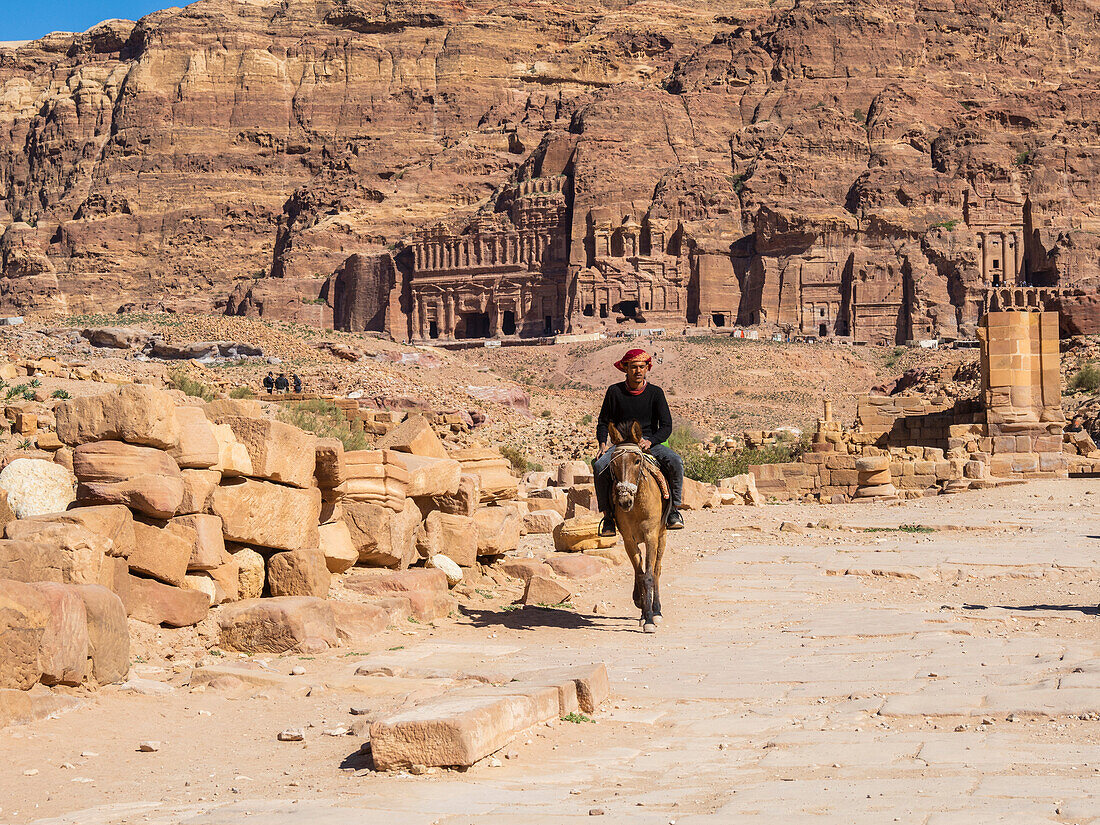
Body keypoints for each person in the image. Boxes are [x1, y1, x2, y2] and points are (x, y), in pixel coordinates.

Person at [592, 347, 684, 537]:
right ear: (625, 368)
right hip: (622, 445)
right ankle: (608, 517)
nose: (637, 371)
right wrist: (602, 444)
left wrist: (651, 441)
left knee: (675, 461)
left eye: (641, 367)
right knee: (600, 466)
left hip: (649, 443)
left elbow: (666, 426)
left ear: (647, 368)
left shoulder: (655, 393)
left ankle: (674, 510)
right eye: (633, 367)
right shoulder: (614, 392)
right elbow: (603, 421)